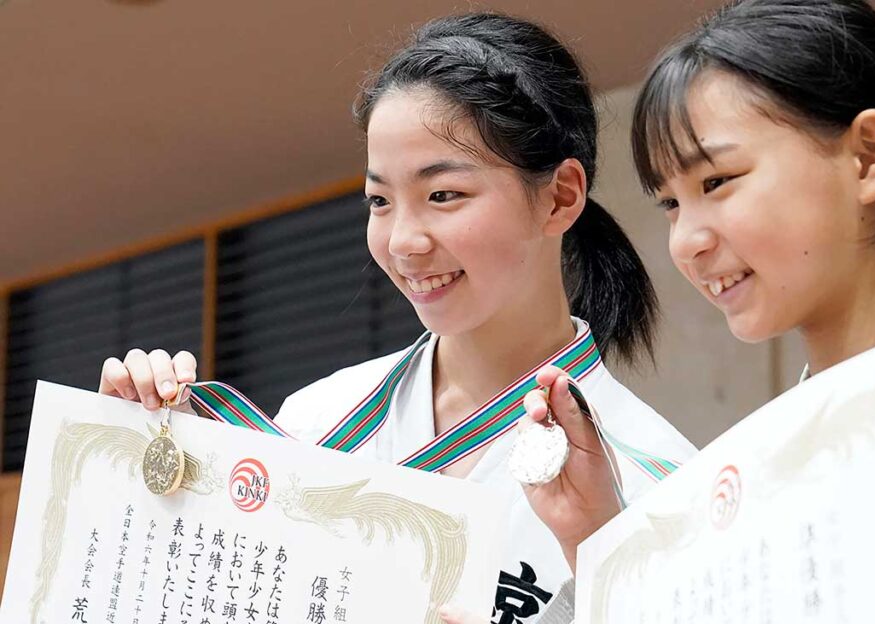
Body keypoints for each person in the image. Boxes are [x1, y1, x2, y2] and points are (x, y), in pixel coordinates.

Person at [96, 13, 696, 623]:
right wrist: (141, 473)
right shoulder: (314, 421)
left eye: (443, 195)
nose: (404, 241)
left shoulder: (662, 485)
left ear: (560, 196)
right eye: (380, 201)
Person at [510, 1, 875, 621]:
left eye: (717, 182)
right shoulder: (752, 476)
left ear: (867, 156)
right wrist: (596, 542)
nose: (687, 241)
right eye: (671, 204)